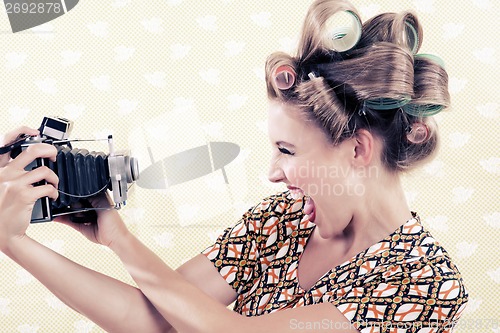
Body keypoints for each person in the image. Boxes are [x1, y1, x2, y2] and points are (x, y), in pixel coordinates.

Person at [0, 0, 468, 332]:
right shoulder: (279, 222)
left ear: (357, 151)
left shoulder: (423, 281)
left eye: (287, 151)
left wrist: (121, 240)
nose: (273, 173)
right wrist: (12, 239)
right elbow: (150, 321)